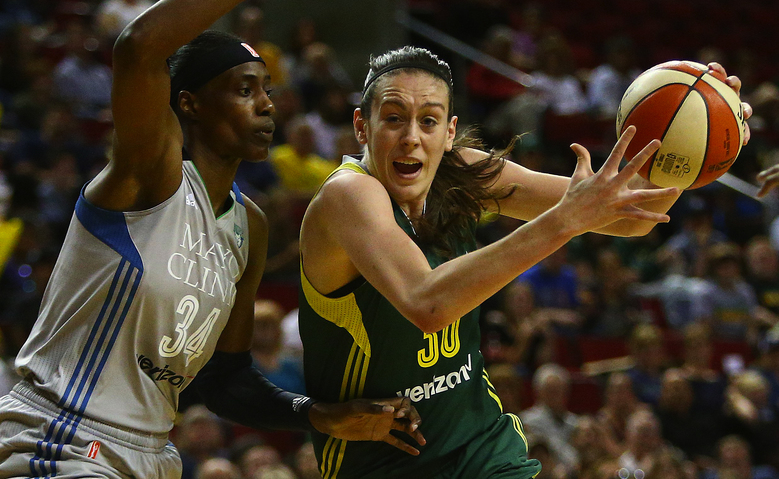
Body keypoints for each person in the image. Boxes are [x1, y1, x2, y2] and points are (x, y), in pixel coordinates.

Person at [0, 0, 424, 478]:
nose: (267, 103)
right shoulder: (151, 177)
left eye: (268, 90)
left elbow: (226, 381)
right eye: (245, 89)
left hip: (151, 453)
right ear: (190, 103)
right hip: (63, 434)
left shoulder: (248, 228)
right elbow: (138, 46)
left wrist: (324, 415)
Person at [298, 46, 748, 477]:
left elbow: (629, 218)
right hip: (384, 467)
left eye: (429, 121)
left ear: (449, 132)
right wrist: (564, 220)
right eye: (393, 119)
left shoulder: (460, 171)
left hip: (484, 449)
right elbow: (427, 304)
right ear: (362, 126)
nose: (412, 136)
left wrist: (695, 146)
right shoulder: (347, 195)